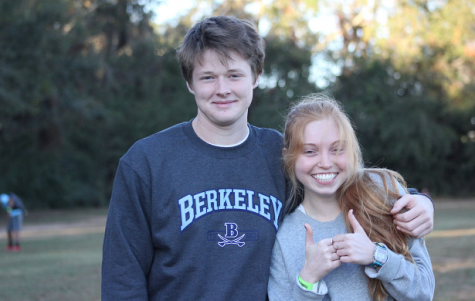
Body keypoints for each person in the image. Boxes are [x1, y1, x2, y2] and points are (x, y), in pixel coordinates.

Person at [101, 16, 434, 300]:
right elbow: (122, 276)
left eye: (234, 75)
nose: (222, 89)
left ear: (255, 76)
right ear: (190, 82)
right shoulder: (146, 162)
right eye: (207, 77)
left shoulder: (281, 154)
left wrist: (418, 202)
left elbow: (340, 179)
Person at [268, 95, 435, 300]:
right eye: (310, 151)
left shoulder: (384, 192)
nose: (326, 162)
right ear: (288, 156)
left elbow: (424, 293)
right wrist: (308, 280)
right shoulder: (284, 237)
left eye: (337, 149)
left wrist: (376, 256)